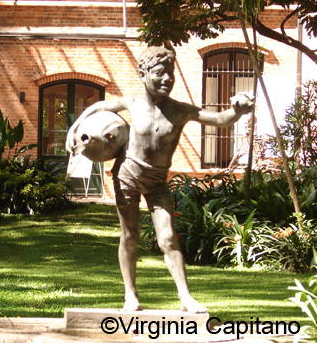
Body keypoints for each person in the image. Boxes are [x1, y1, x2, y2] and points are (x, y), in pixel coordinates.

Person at [67, 47, 254, 314]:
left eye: (171, 73)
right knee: (130, 236)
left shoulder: (179, 111)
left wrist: (237, 110)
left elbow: (219, 119)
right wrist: (74, 129)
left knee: (167, 238)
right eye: (159, 73)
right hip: (127, 177)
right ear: (143, 75)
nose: (167, 78)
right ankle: (130, 295)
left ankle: (186, 297)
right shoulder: (133, 103)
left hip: (157, 182)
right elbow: (99, 105)